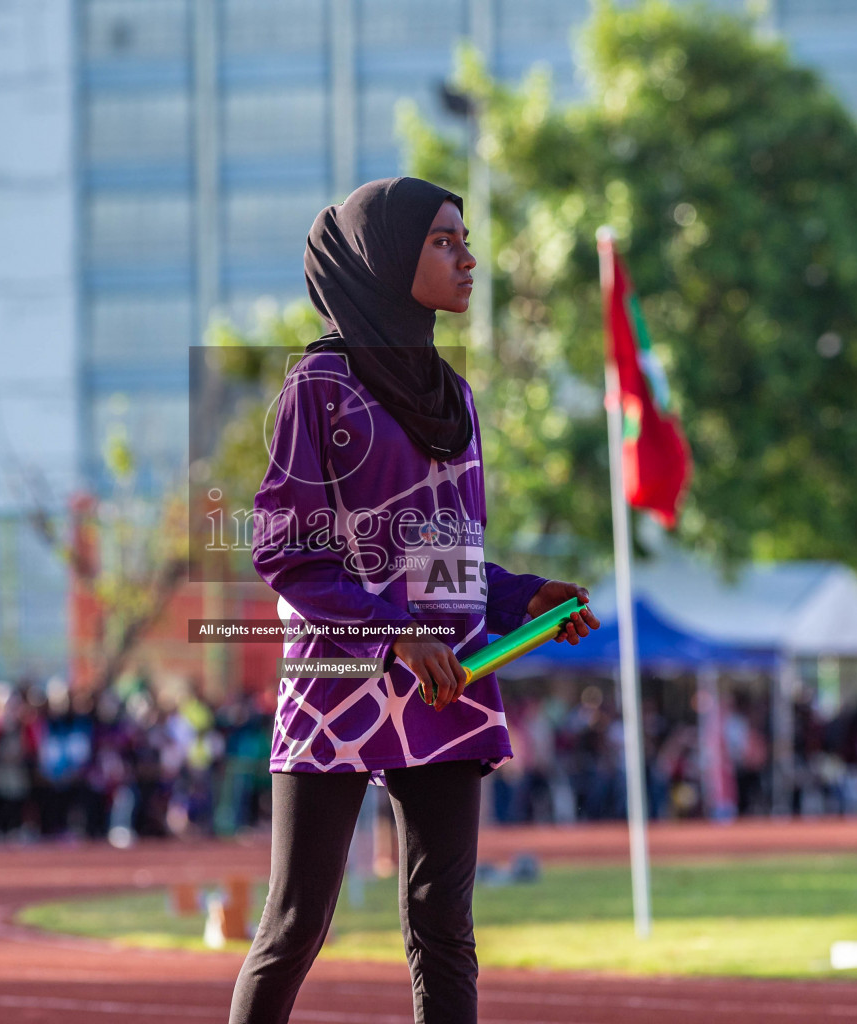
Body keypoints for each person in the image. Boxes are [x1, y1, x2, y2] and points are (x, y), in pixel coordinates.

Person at [229, 177, 599, 1024]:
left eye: (464, 239)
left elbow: (446, 563)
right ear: (385, 258)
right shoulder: (317, 388)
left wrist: (523, 598)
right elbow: (287, 554)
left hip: (446, 686)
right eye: (442, 241)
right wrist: (396, 636)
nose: (467, 258)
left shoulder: (453, 396)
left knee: (444, 929)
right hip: (338, 685)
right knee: (295, 924)